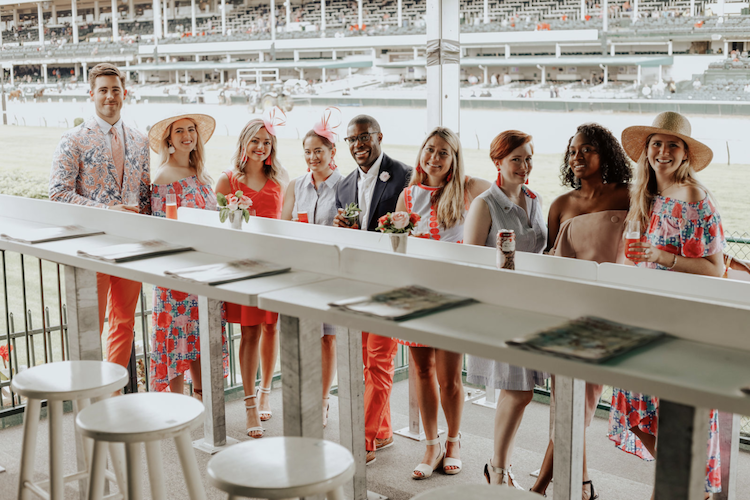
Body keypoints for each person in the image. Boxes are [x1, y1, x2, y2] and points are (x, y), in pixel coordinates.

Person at [614, 111, 724, 496]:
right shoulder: (648, 194)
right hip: (644, 314)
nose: (662, 151)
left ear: (685, 155)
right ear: (646, 151)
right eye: (656, 144)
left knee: (676, 409)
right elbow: (631, 257)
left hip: (681, 319)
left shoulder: (693, 197)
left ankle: (688, 487)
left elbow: (715, 269)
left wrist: (663, 258)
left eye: (672, 145)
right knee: (634, 403)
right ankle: (686, 484)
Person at [530, 123, 632, 499]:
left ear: (606, 154)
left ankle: (539, 487)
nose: (577, 157)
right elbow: (552, 262)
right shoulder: (560, 205)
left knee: (576, 407)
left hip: (612, 316)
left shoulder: (630, 196)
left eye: (587, 149)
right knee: (566, 404)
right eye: (573, 151)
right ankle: (580, 484)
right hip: (569, 316)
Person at [393, 127, 490, 479]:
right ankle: (431, 444)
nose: (434, 158)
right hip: (415, 294)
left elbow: (503, 193)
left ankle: (453, 441)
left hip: (452, 297)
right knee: (421, 371)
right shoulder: (407, 195)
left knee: (449, 378)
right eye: (429, 150)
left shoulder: (468, 190)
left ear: (455, 159)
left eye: (443, 152)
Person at [49, 63, 150, 374]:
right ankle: (89, 396)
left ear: (125, 93)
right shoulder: (73, 139)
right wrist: (107, 211)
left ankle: (113, 395)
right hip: (90, 247)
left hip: (130, 247)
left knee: (124, 323)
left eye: (115, 90)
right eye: (103, 90)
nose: (110, 96)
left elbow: (145, 195)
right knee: (89, 326)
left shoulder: (140, 140)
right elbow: (58, 194)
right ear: (91, 94)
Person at [464, 130, 547, 489]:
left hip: (533, 306)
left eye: (528, 158)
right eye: (516, 159)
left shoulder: (535, 198)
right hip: (501, 307)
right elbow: (469, 263)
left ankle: (497, 467)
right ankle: (496, 470)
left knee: (520, 391)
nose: (524, 166)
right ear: (498, 162)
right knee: (519, 391)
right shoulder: (484, 204)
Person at [333, 114, 411, 464]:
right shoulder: (344, 185)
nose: (358, 145)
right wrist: (343, 227)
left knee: (379, 361)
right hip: (357, 284)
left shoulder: (405, 176)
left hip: (391, 284)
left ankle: (360, 440)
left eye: (363, 138)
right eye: (351, 140)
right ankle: (382, 432)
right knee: (365, 360)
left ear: (379, 136)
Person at [215, 110, 290, 438]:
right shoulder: (226, 180)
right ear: (243, 144)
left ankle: (265, 392)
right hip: (243, 269)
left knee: (271, 331)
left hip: (274, 268)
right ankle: (248, 405)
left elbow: (286, 226)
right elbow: (217, 229)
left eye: (266, 142)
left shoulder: (280, 181)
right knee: (248, 334)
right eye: (255, 141)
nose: (261, 147)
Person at [147, 113, 227, 396]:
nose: (186, 136)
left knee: (199, 337)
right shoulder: (163, 177)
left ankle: (204, 401)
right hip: (177, 273)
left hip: (205, 268)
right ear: (169, 138)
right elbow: (162, 228)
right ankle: (177, 406)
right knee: (176, 338)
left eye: (191, 130)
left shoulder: (202, 174)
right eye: (179, 131)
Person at [280, 108, 344, 427]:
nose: (312, 157)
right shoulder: (296, 185)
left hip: (331, 272)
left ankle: (322, 400)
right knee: (301, 334)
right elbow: (283, 225)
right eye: (307, 152)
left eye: (318, 150)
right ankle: (303, 393)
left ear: (332, 152)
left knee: (327, 339)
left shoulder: (346, 186)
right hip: (302, 272)